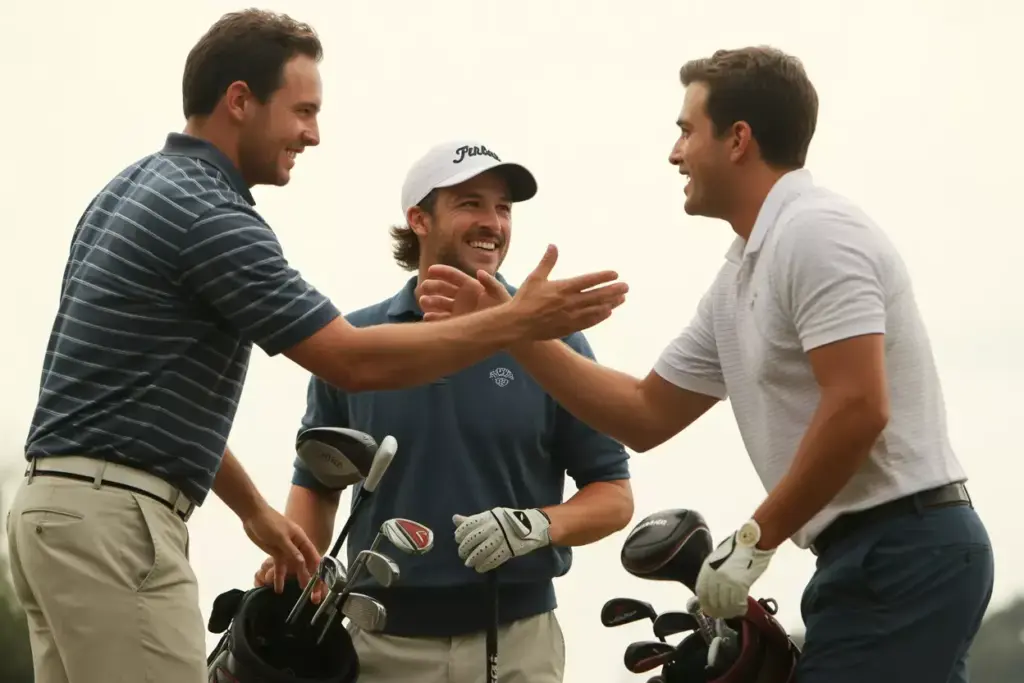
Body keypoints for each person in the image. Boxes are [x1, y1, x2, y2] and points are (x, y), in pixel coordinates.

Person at [4, 10, 628, 683]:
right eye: (302, 110)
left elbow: (151, 403)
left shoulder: (130, 189)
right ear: (240, 100)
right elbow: (350, 361)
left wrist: (259, 515)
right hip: (118, 528)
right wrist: (515, 323)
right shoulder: (211, 216)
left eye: (503, 207)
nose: (314, 133)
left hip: (61, 516)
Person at [418, 46, 995, 683]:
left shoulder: (817, 232)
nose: (675, 153)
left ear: (738, 139)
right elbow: (643, 415)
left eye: (686, 131)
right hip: (866, 557)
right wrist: (513, 329)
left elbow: (859, 407)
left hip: (907, 548)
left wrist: (755, 540)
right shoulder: (741, 272)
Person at [252, 139, 635, 683]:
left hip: (518, 640)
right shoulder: (357, 342)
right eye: (471, 203)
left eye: (503, 208)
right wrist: (298, 564)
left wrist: (536, 525)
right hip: (380, 644)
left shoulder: (553, 345)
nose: (493, 223)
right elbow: (318, 481)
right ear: (419, 220)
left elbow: (614, 495)